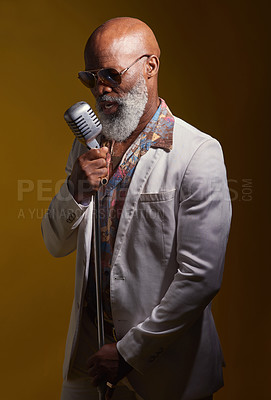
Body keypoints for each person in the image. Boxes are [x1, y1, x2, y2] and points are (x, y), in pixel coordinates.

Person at [41, 17, 232, 400]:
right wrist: (74, 191)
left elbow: (201, 277)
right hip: (90, 365)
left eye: (112, 73)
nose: (100, 88)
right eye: (90, 77)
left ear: (150, 66)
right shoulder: (86, 149)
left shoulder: (197, 153)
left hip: (166, 375)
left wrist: (129, 352)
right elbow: (55, 243)